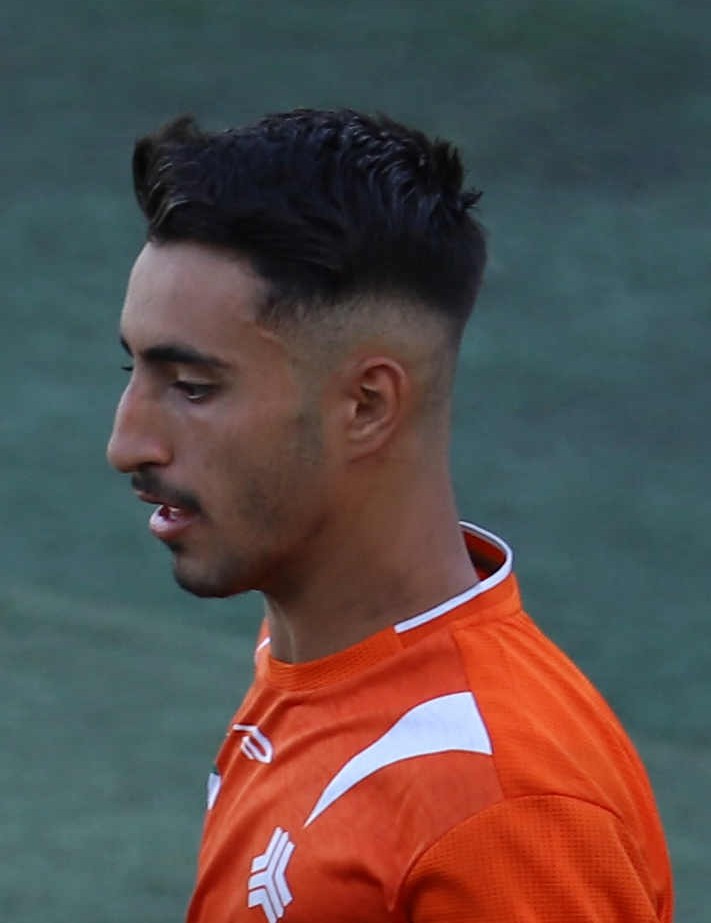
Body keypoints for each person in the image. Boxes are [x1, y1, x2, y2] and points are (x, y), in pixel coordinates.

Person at [107, 109, 673, 922]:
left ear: (366, 405)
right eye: (131, 371)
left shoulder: (502, 808)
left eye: (191, 388)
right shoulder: (312, 655)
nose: (126, 443)